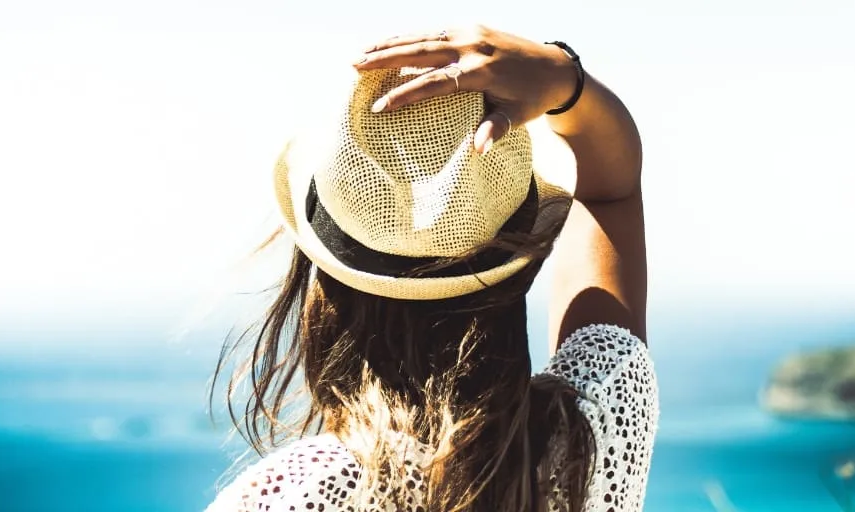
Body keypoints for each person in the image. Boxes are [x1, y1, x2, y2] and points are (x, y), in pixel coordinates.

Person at [207, 25, 657, 512]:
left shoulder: (290, 496)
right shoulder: (590, 437)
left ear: (324, 284)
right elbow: (610, 193)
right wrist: (564, 77)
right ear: (519, 266)